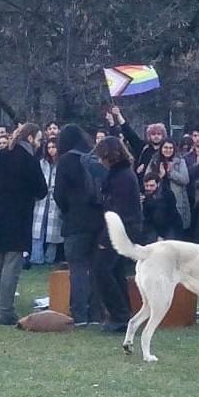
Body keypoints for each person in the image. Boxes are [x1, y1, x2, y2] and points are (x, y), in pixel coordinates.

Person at [0, 123, 48, 326]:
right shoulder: (30, 162)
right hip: (18, 220)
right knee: (11, 267)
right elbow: (41, 191)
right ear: (29, 138)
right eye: (38, 139)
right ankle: (6, 311)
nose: (40, 143)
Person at [53, 124, 103, 326]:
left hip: (75, 220)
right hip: (98, 221)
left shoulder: (65, 161)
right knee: (96, 268)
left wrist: (67, 210)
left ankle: (79, 314)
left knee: (78, 269)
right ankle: (96, 313)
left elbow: (58, 194)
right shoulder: (94, 158)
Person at [91, 136, 142, 333]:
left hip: (121, 228)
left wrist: (105, 237)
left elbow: (119, 209)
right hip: (127, 226)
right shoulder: (122, 173)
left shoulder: (121, 177)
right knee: (116, 271)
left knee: (101, 270)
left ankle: (119, 314)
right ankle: (122, 313)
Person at [31, 139, 63, 265]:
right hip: (42, 198)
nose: (51, 150)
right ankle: (36, 257)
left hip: (55, 199)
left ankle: (50, 258)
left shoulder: (61, 163)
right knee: (38, 229)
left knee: (53, 232)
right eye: (49, 147)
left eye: (53, 147)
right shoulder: (42, 163)